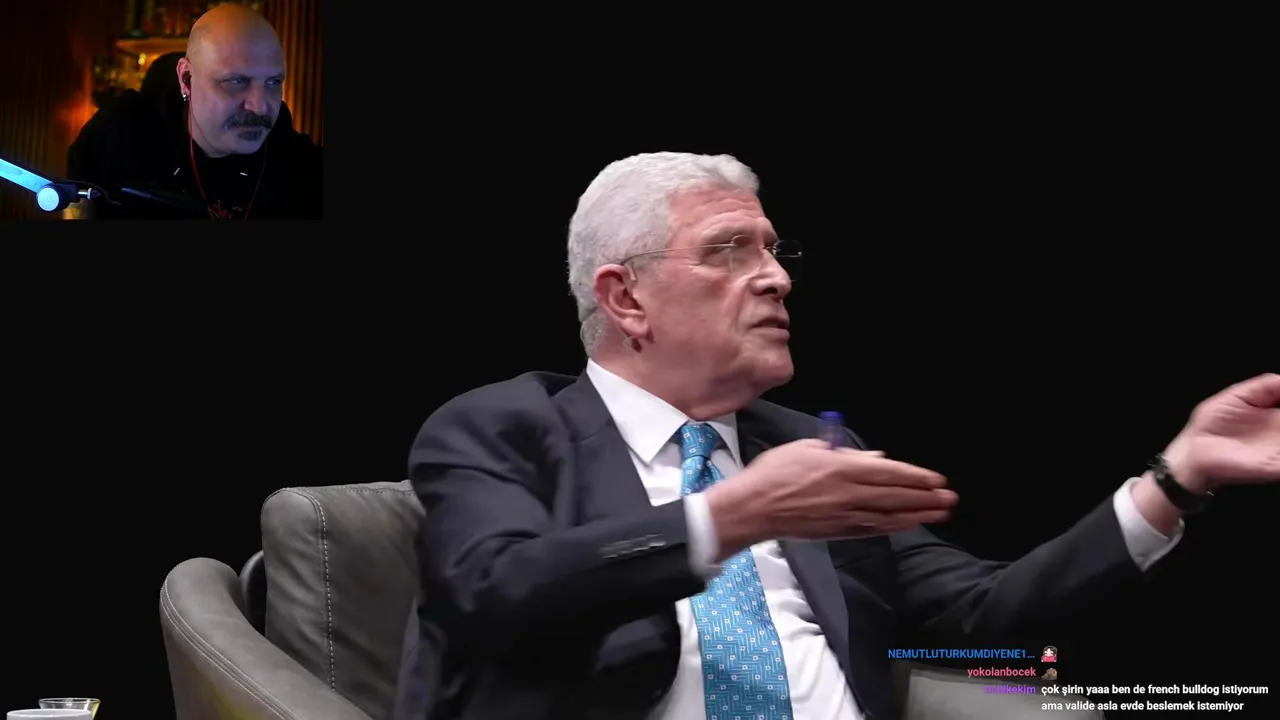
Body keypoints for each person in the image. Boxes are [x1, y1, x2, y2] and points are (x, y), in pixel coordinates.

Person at [401, 152, 1280, 720]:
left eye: (773, 251)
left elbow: (986, 617)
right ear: (625, 297)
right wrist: (729, 518)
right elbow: (496, 592)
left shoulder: (814, 449)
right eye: (730, 250)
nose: (776, 279)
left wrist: (1177, 477)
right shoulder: (503, 425)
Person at [66, 3, 321, 219]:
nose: (260, 106)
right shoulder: (116, 135)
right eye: (236, 81)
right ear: (187, 79)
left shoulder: (303, 168)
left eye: (273, 82)